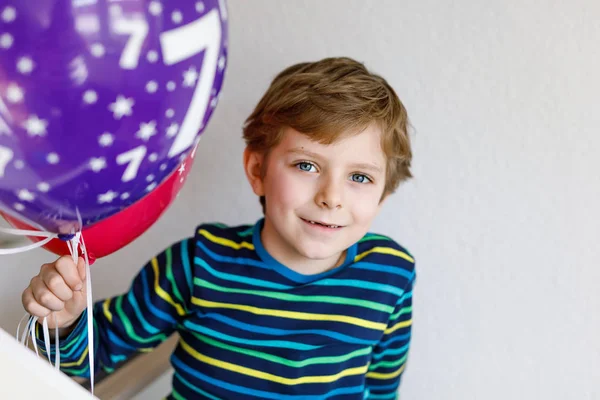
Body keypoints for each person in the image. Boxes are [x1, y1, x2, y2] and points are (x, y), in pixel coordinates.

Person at [21, 57, 416, 399]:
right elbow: (90, 358)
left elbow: (381, 389)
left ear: (383, 193)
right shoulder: (198, 264)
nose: (332, 197)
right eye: (306, 165)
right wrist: (65, 322)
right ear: (257, 170)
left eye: (360, 178)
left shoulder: (391, 275)